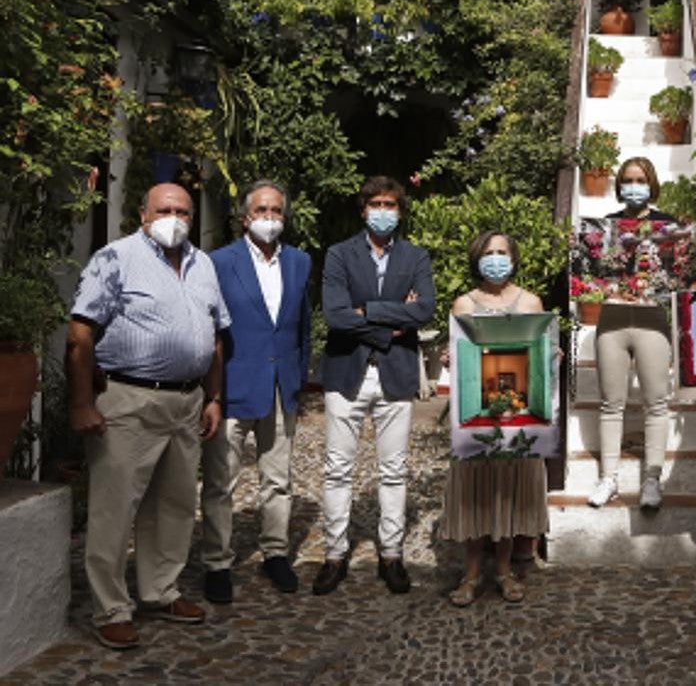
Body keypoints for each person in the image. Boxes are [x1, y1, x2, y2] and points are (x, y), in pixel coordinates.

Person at [66, 183, 230, 649]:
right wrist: (82, 403)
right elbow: (80, 334)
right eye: (164, 210)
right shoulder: (115, 258)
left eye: (182, 211)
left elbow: (216, 335)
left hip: (186, 402)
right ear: (143, 215)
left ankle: (161, 590)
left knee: (174, 503)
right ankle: (111, 608)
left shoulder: (203, 264)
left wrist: (214, 397)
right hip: (129, 400)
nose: (173, 218)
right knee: (115, 508)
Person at [315, 175, 435, 595]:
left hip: (395, 374)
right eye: (376, 204)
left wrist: (365, 311)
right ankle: (334, 554)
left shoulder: (415, 256)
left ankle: (392, 554)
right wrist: (390, 322)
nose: (383, 211)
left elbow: (424, 310)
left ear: (400, 211)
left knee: (394, 470)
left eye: (390, 204)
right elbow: (335, 315)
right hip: (346, 372)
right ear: (363, 209)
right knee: (337, 469)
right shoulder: (339, 254)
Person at [200, 180, 312, 603]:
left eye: (276, 211)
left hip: (282, 385)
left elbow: (302, 327)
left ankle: (275, 552)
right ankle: (217, 562)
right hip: (232, 386)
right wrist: (210, 391)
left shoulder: (299, 261)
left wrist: (298, 378)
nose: (269, 218)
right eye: (261, 210)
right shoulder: (218, 262)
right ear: (246, 217)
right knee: (220, 482)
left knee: (278, 479)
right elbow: (209, 327)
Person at [441, 231, 550, 606]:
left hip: (519, 415)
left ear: (514, 258)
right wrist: (450, 358)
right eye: (488, 252)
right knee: (476, 492)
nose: (496, 258)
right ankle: (471, 572)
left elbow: (539, 352)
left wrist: (550, 356)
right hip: (476, 414)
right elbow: (459, 356)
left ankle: (504, 570)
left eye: (502, 252)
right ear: (477, 258)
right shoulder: (463, 304)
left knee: (508, 490)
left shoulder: (531, 302)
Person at [588, 156, 677, 509]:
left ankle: (652, 480)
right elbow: (593, 273)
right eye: (627, 180)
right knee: (611, 403)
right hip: (612, 320)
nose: (634, 186)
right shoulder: (604, 226)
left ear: (651, 184)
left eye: (640, 180)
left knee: (656, 402)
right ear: (619, 185)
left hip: (653, 321)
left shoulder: (669, 226)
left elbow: (677, 274)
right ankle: (608, 478)